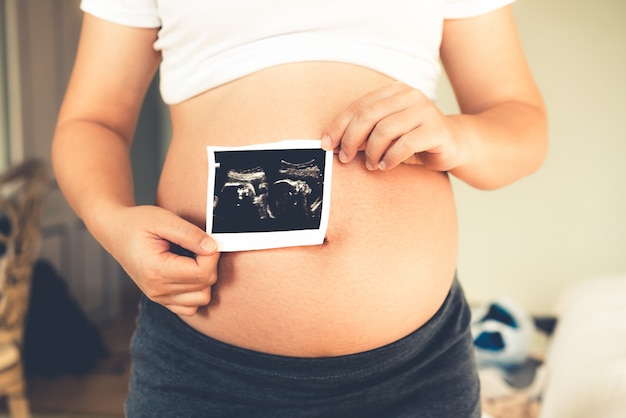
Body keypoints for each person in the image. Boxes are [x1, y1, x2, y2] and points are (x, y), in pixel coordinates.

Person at [51, 0, 547, 416]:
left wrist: (456, 135)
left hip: (416, 371)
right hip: (203, 369)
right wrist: (111, 220)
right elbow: (92, 120)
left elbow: (522, 123)